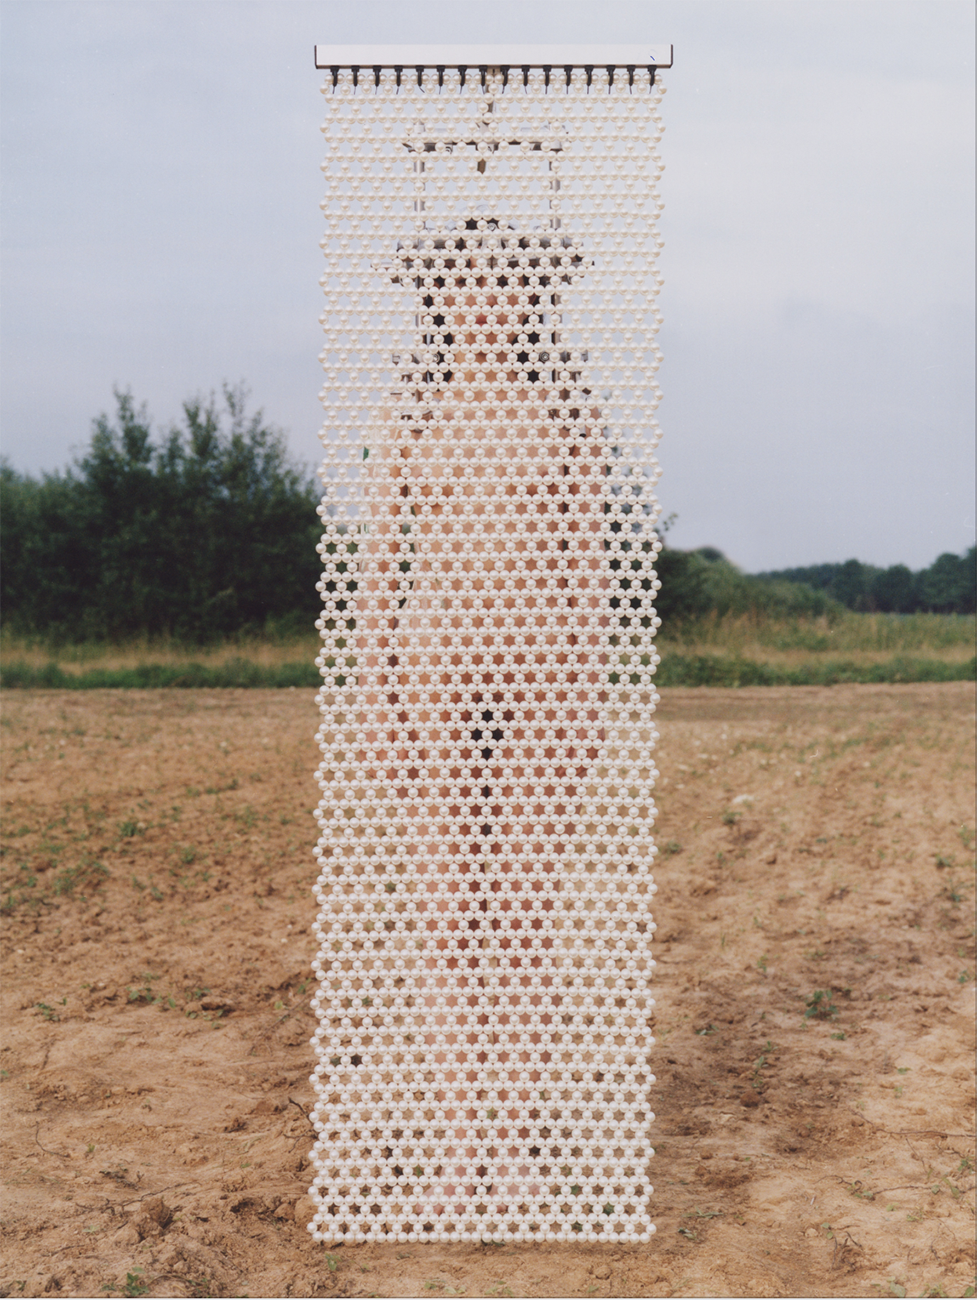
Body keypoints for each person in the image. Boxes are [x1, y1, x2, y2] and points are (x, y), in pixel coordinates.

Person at [355, 217, 609, 1222]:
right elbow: (379, 568)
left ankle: (515, 1151)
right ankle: (460, 1149)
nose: (486, 297)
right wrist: (374, 697)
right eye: (466, 279)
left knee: (522, 912)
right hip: (433, 667)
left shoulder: (569, 409)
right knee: (446, 913)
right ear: (438, 296)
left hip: (543, 666)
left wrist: (587, 695)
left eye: (507, 279)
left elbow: (590, 569)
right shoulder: (408, 408)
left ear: (534, 297)